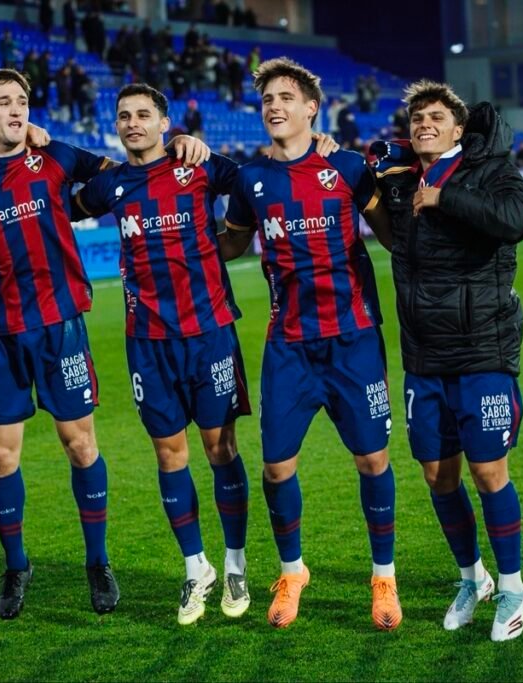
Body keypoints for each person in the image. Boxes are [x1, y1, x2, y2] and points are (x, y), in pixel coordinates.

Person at [0, 69, 209, 621]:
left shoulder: (60, 155)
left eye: (22, 102)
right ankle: (16, 565)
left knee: (79, 445)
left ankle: (98, 561)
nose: (15, 111)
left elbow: (130, 170)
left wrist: (181, 142)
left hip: (61, 322)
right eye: (2, 103)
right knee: (0, 453)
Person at [220, 58, 401, 631]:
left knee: (372, 459)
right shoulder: (251, 180)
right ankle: (292, 571)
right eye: (267, 98)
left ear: (311, 108)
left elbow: (397, 239)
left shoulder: (346, 167)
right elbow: (231, 246)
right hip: (289, 345)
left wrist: (402, 187)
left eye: (285, 98)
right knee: (276, 467)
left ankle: (383, 576)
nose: (275, 106)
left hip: (353, 340)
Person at [70, 83, 252, 625]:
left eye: (143, 115)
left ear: (164, 121)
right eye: (124, 115)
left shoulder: (199, 167)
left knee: (221, 449)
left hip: (210, 331)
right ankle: (196, 569)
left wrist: (197, 144)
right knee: (170, 455)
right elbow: (61, 201)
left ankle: (236, 562)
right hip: (147, 341)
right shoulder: (111, 185)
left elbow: (262, 185)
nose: (132, 123)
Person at [370, 79, 523, 642]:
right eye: (417, 119)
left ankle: (512, 585)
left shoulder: (490, 170)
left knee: (489, 472)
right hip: (424, 356)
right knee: (439, 477)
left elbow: (517, 220)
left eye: (436, 117)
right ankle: (474, 578)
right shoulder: (399, 179)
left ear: (459, 129)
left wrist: (447, 198)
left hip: (482, 348)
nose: (425, 125)